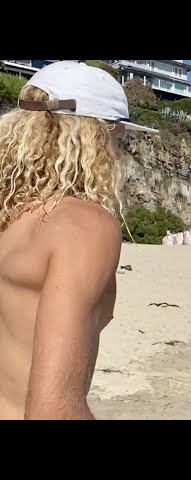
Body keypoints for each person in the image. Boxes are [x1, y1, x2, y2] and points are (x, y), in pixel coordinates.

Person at [0, 61, 158, 420]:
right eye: (120, 138)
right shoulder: (82, 225)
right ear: (100, 137)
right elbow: (53, 409)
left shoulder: (9, 216)